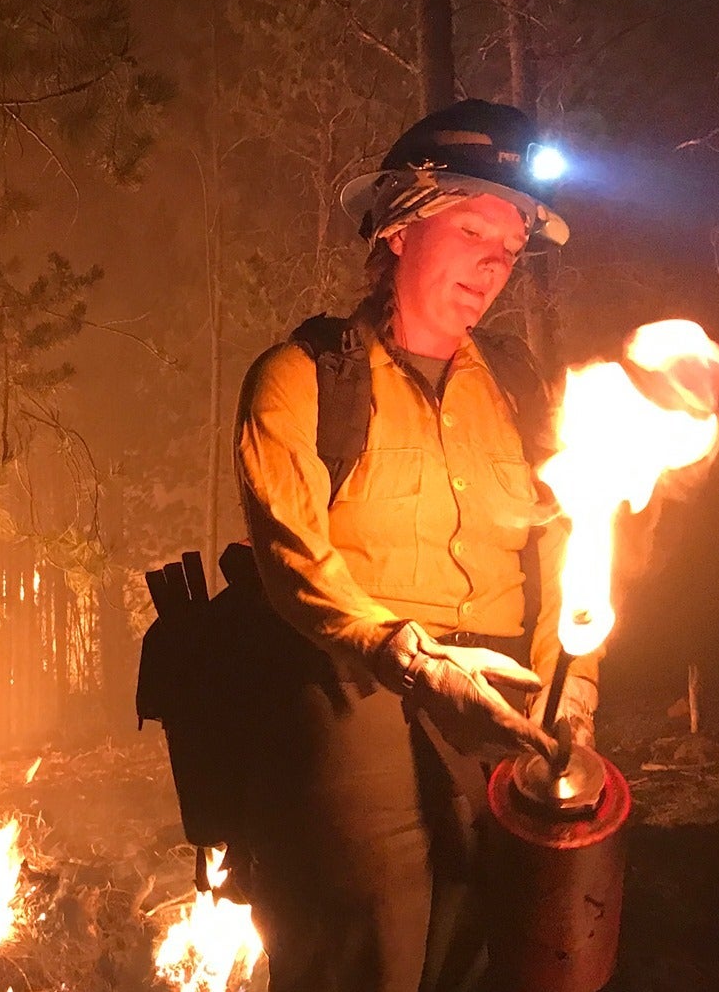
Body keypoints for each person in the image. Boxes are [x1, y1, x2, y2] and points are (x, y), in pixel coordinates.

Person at [232, 98, 598, 992]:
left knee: (491, 959)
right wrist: (414, 657)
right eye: (474, 227)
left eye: (508, 248)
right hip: (357, 693)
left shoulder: (520, 389)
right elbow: (293, 563)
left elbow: (571, 547)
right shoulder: (303, 378)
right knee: (368, 958)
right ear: (399, 226)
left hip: (506, 703)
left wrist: (573, 685)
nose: (493, 264)